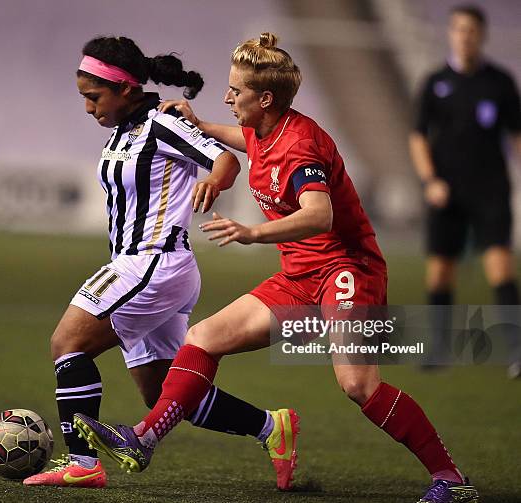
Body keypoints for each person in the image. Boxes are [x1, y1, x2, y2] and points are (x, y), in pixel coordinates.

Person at [72, 33, 480, 503]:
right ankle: (143, 439)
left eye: (235, 91)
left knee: (358, 384)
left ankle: (450, 478)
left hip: (348, 271)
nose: (227, 97)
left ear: (265, 98)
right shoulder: (265, 128)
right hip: (300, 278)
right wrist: (197, 121)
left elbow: (319, 215)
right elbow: (240, 138)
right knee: (202, 339)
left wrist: (252, 232)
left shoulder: (301, 145)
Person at [23, 35, 300, 489]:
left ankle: (82, 463)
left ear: (127, 89)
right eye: (84, 98)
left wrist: (213, 181)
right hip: (150, 267)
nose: (89, 107)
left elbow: (226, 160)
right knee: (165, 392)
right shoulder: (123, 131)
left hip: (152, 264)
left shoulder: (159, 124)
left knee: (66, 344)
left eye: (94, 97)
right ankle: (272, 427)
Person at [409, 4, 521, 376]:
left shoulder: (500, 83)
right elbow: (418, 138)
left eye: (471, 30)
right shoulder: (435, 82)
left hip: (491, 189)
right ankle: (439, 350)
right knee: (440, 273)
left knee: (500, 269)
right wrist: (431, 181)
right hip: (447, 192)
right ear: (451, 34)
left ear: (482, 35)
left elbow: (516, 136)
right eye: (458, 29)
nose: (464, 36)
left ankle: (517, 351)